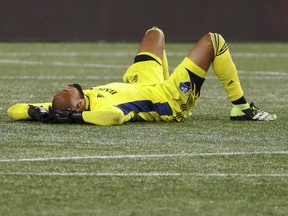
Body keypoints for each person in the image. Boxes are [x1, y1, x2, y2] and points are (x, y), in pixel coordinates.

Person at [7, 26, 277, 126]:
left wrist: (45, 113)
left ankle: (171, 72)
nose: (65, 87)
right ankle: (241, 107)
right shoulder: (101, 109)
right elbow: (113, 117)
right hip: (166, 97)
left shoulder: (60, 107)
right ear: (79, 105)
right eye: (66, 92)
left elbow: (13, 110)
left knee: (155, 34)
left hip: (141, 83)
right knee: (214, 41)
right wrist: (78, 119)